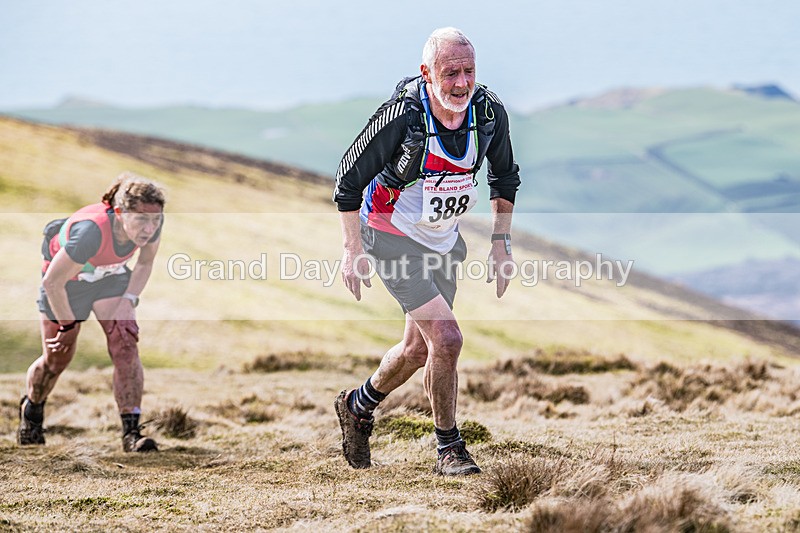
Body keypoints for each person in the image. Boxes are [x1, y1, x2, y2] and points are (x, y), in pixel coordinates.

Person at [333, 27, 520, 475]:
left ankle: (358, 405)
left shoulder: (488, 113)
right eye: (449, 72)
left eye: (468, 71)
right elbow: (347, 180)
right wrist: (352, 248)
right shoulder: (401, 117)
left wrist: (500, 243)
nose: (460, 83)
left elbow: (505, 178)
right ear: (427, 73)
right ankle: (449, 449)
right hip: (389, 235)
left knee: (419, 349)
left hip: (443, 240)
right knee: (448, 338)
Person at [18, 172, 166, 452]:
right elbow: (52, 281)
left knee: (125, 343)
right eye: (141, 220)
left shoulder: (153, 224)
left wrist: (128, 301)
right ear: (120, 213)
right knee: (57, 359)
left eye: (155, 220)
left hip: (109, 278)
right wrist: (67, 325)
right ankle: (32, 411)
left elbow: (144, 264)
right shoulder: (91, 232)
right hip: (66, 285)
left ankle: (132, 434)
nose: (149, 228)